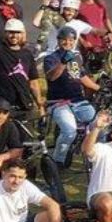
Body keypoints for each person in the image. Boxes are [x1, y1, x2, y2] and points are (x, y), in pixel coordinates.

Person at [0, 0, 45, 116]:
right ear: (5, 33)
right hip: (2, 106)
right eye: (11, 32)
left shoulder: (27, 54)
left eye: (17, 32)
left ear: (22, 34)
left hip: (25, 105)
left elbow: (33, 82)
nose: (14, 36)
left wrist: (40, 106)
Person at [44, 26, 101, 167]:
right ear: (58, 41)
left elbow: (80, 77)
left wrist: (99, 88)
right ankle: (58, 161)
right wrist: (63, 62)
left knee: (99, 126)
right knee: (70, 131)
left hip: (78, 100)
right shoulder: (50, 58)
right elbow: (52, 77)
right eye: (64, 40)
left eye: (71, 40)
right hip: (58, 102)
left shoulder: (76, 58)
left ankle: (97, 157)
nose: (68, 43)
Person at [76, 0, 112, 72]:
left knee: (106, 71)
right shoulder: (78, 5)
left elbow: (106, 19)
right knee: (88, 72)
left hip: (102, 43)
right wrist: (82, 42)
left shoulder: (101, 3)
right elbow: (75, 26)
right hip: (87, 45)